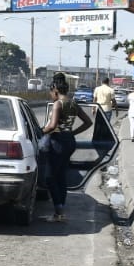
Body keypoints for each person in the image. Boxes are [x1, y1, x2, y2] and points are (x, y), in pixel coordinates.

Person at [40, 72, 93, 223]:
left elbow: (52, 126)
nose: (51, 95)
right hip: (69, 141)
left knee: (50, 178)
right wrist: (72, 132)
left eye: (51, 92)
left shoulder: (58, 104)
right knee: (61, 176)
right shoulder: (73, 103)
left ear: (55, 90)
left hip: (57, 142)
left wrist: (39, 131)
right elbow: (88, 122)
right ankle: (60, 211)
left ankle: (59, 212)